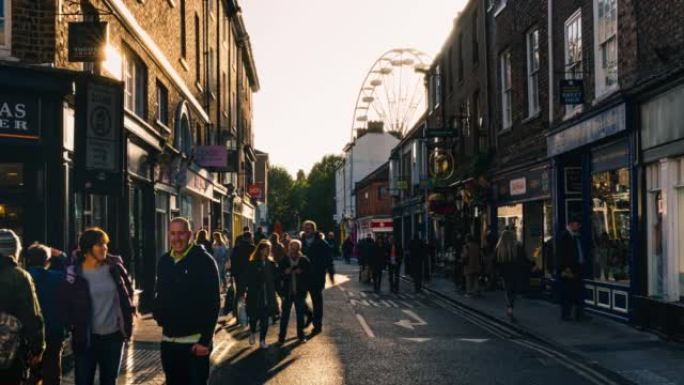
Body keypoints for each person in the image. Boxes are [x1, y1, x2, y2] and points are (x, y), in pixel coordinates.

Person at [61, 227, 135, 385]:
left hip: (114, 338)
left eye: (106, 244)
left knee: (109, 381)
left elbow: (127, 294)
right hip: (86, 339)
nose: (105, 248)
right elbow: (66, 303)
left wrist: (127, 322)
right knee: (83, 380)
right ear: (88, 248)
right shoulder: (74, 273)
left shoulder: (114, 268)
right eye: (100, 245)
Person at [154, 218, 220, 385]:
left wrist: (205, 340)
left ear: (190, 235)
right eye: (173, 233)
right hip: (169, 342)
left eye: (181, 233)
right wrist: (159, 313)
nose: (177, 238)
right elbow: (160, 294)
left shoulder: (204, 261)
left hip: (195, 344)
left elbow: (213, 303)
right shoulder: (164, 261)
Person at [0, 229, 44, 385]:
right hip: (11, 352)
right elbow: (32, 315)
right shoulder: (20, 276)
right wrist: (38, 348)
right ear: (14, 251)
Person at [25, 243, 68, 385]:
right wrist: (61, 255)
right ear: (47, 262)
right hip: (54, 332)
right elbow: (73, 269)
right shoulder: (58, 278)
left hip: (30, 334)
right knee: (53, 373)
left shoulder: (24, 277)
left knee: (30, 375)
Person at [301, 221, 335, 335]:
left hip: (317, 277)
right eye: (305, 228)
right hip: (303, 277)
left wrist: (331, 274)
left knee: (317, 303)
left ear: (314, 230)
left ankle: (317, 325)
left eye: (309, 228)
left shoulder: (322, 243)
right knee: (299, 300)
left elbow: (329, 259)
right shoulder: (300, 243)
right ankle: (309, 314)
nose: (307, 230)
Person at [245, 240, 278, 349]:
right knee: (253, 318)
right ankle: (252, 332)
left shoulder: (271, 263)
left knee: (265, 319)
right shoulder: (252, 263)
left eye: (268, 249)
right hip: (255, 295)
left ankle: (262, 340)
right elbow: (248, 279)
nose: (266, 251)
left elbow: (276, 279)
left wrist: (281, 293)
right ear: (259, 250)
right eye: (264, 249)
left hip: (267, 295)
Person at [278, 240, 312, 343]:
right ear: (289, 247)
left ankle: (301, 335)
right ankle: (281, 337)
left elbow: (309, 274)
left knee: (300, 315)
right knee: (284, 316)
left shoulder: (304, 260)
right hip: (287, 292)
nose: (293, 249)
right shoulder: (284, 260)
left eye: (296, 247)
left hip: (300, 292)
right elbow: (278, 275)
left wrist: (302, 272)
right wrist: (285, 272)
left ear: (299, 248)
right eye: (292, 246)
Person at [495, 230, 527, 321]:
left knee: (508, 291)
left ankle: (509, 308)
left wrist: (498, 273)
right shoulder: (518, 248)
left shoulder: (499, 248)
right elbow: (523, 260)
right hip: (516, 273)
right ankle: (510, 306)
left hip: (505, 274)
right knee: (514, 291)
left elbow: (496, 263)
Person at [557, 217, 585, 321]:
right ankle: (567, 314)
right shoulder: (565, 236)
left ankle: (576, 314)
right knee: (568, 293)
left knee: (575, 292)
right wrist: (566, 269)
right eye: (577, 224)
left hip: (577, 268)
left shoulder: (576, 236)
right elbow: (562, 254)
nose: (579, 227)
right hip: (569, 270)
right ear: (572, 224)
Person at [230, 231, 256, 322]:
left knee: (239, 294)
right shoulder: (252, 248)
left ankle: (237, 314)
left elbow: (232, 260)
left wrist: (232, 274)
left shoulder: (236, 248)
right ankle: (248, 312)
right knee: (250, 293)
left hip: (238, 274)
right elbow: (255, 262)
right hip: (250, 274)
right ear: (249, 238)